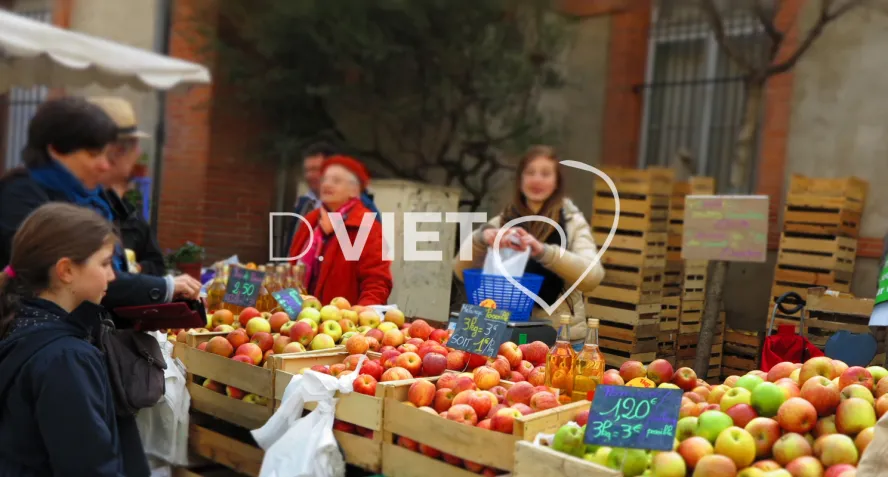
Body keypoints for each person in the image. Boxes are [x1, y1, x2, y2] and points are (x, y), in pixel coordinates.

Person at [0, 96, 200, 313]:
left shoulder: (90, 196)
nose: (105, 165)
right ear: (57, 149)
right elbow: (65, 274)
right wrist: (162, 287)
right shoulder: (21, 195)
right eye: (94, 154)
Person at [0, 203, 148, 476]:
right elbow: (89, 467)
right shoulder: (67, 358)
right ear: (66, 270)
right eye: (104, 263)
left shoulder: (18, 324)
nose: (112, 275)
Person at [452, 146, 606, 348]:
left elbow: (592, 277)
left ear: (557, 181)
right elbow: (460, 272)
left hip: (559, 339)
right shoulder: (503, 221)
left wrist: (544, 252)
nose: (537, 180)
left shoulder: (572, 222)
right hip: (503, 334)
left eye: (545, 174)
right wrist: (481, 239)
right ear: (520, 179)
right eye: (530, 173)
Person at [288, 155, 392, 306]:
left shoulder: (366, 225)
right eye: (325, 180)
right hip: (299, 317)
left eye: (336, 181)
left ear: (354, 191)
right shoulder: (310, 220)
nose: (327, 185)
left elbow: (377, 281)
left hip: (343, 321)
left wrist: (362, 314)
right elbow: (291, 269)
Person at [89, 96, 166, 276]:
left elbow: (157, 264)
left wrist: (136, 269)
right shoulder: (80, 202)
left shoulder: (126, 210)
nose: (139, 153)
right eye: (134, 146)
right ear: (114, 151)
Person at [281, 142, 382, 257]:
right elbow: (292, 249)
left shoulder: (365, 209)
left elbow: (363, 258)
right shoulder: (304, 204)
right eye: (307, 170)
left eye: (316, 170)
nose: (310, 176)